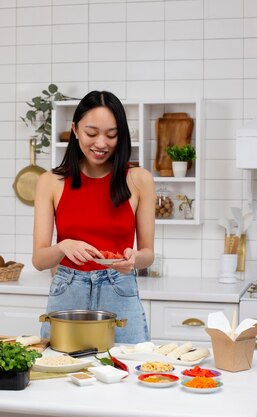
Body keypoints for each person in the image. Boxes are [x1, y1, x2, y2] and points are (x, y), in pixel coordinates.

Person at [32, 90, 155, 343]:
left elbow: (147, 254)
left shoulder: (139, 179)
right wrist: (64, 247)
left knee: (128, 375)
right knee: (60, 376)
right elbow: (39, 260)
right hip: (68, 293)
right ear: (75, 130)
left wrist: (134, 259)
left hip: (120, 291)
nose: (101, 143)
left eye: (111, 135)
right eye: (91, 133)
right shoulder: (50, 182)